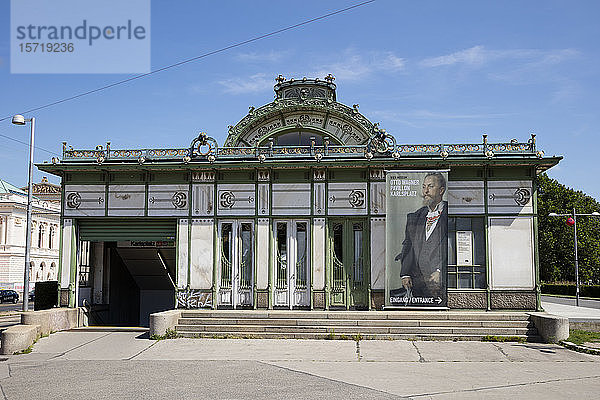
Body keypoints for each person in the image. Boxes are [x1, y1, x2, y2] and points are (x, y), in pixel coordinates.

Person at [391, 172, 448, 299]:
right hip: (417, 283)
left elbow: (452, 247)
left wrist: (441, 271)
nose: (425, 191)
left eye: (430, 186)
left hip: (438, 284)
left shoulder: (451, 214)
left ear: (441, 190)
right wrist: (405, 274)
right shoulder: (416, 216)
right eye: (423, 187)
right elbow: (408, 245)